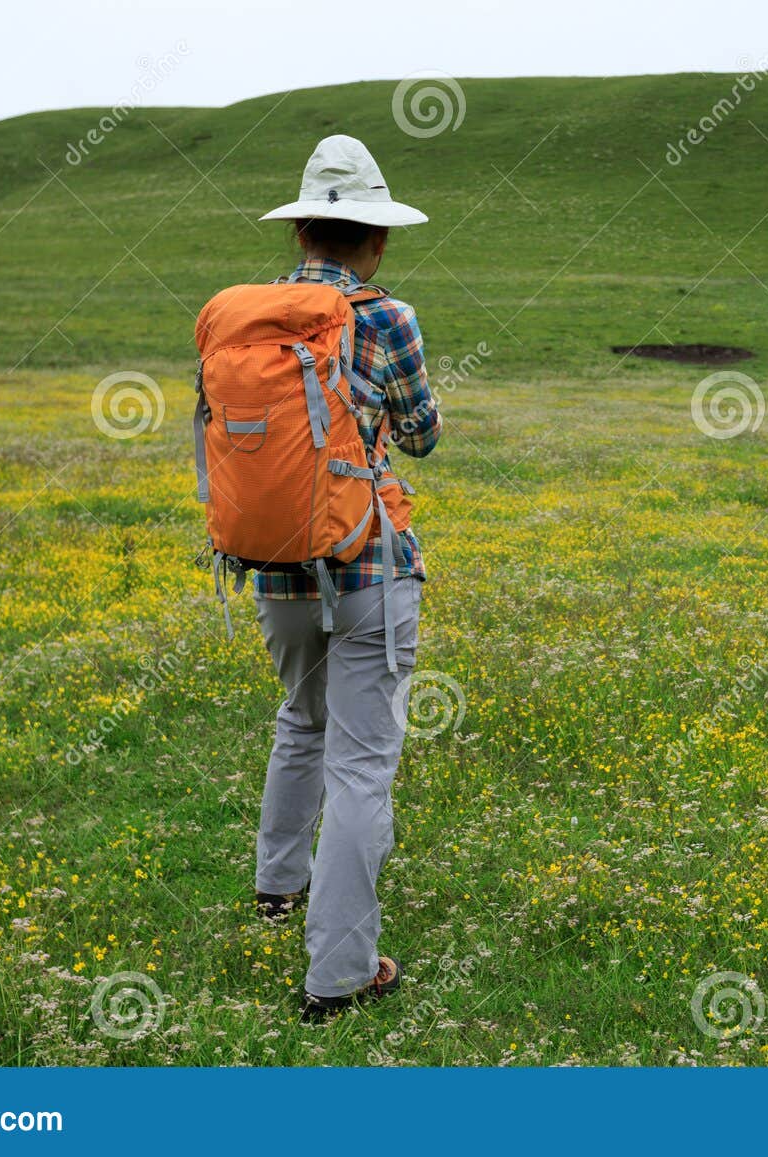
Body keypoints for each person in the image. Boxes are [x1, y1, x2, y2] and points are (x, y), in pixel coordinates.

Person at [250, 135, 441, 1021]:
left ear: (300, 234)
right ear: (376, 239)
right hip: (365, 562)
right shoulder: (387, 316)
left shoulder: (247, 318)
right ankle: (338, 974)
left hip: (277, 563)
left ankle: (276, 884)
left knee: (300, 718)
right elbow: (422, 433)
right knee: (361, 766)